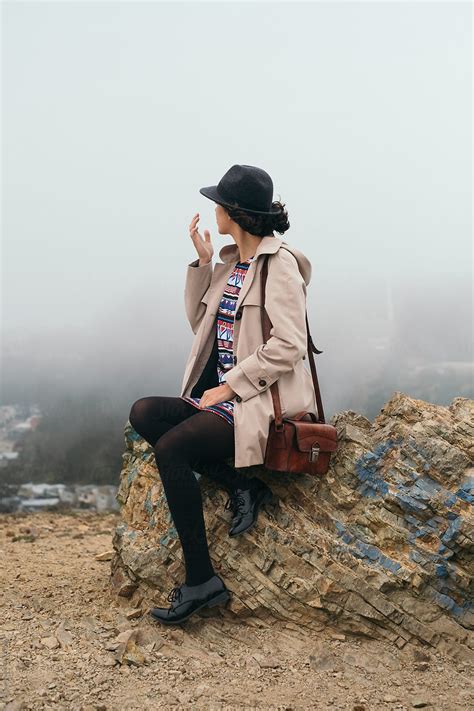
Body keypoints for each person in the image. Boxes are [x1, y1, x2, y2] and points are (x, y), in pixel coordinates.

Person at [128, 164, 314, 625]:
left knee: (172, 447)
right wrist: (204, 262)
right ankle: (241, 484)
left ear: (235, 212)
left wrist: (230, 386)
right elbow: (201, 326)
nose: (213, 208)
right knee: (144, 412)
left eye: (219, 203)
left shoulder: (280, 264)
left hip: (254, 401)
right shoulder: (232, 263)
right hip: (226, 397)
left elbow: (289, 344)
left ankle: (201, 580)